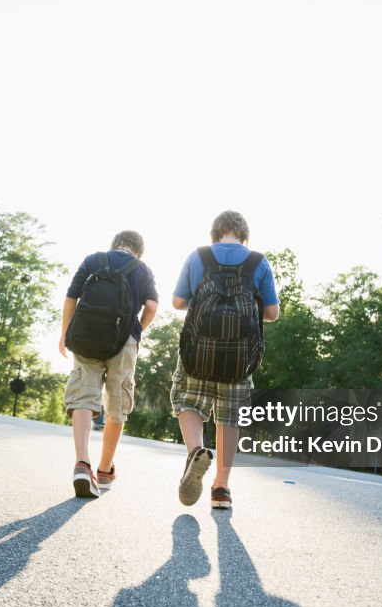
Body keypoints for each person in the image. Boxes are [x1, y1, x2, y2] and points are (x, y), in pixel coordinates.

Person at [170, 211, 280, 509]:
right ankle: (221, 488)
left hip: (198, 351)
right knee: (230, 418)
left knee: (188, 402)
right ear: (244, 235)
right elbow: (272, 313)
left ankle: (196, 452)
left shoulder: (199, 256)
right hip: (239, 358)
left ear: (215, 233)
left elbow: (178, 301)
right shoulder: (258, 262)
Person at [60, 231, 158, 498]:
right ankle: (104, 470)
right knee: (117, 405)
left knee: (83, 396)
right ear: (139, 250)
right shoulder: (142, 269)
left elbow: (71, 297)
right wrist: (137, 331)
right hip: (123, 341)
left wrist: (64, 333)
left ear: (115, 245)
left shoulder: (93, 260)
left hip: (86, 336)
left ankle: (82, 462)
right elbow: (151, 305)